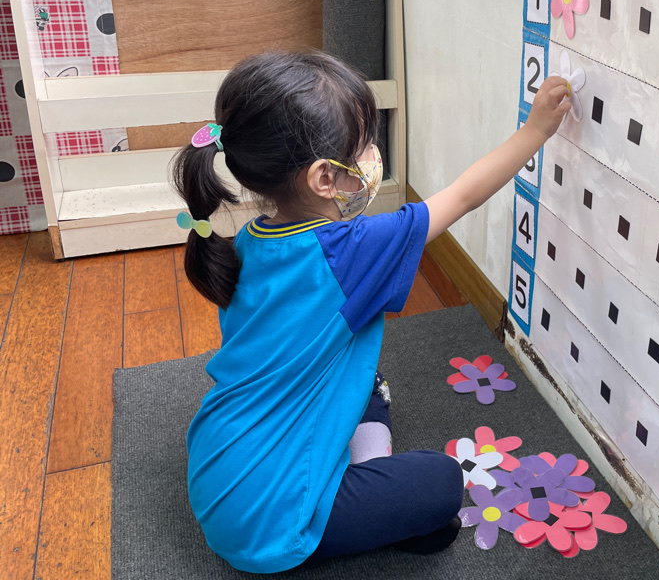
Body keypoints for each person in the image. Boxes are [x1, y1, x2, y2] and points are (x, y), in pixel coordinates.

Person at [172, 50, 569, 573]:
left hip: (217, 465)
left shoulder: (249, 240)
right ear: (323, 178)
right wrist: (536, 131)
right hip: (270, 525)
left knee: (364, 377)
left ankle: (365, 486)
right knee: (442, 482)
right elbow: (463, 197)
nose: (371, 155)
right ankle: (368, 501)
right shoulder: (351, 250)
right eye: (363, 145)